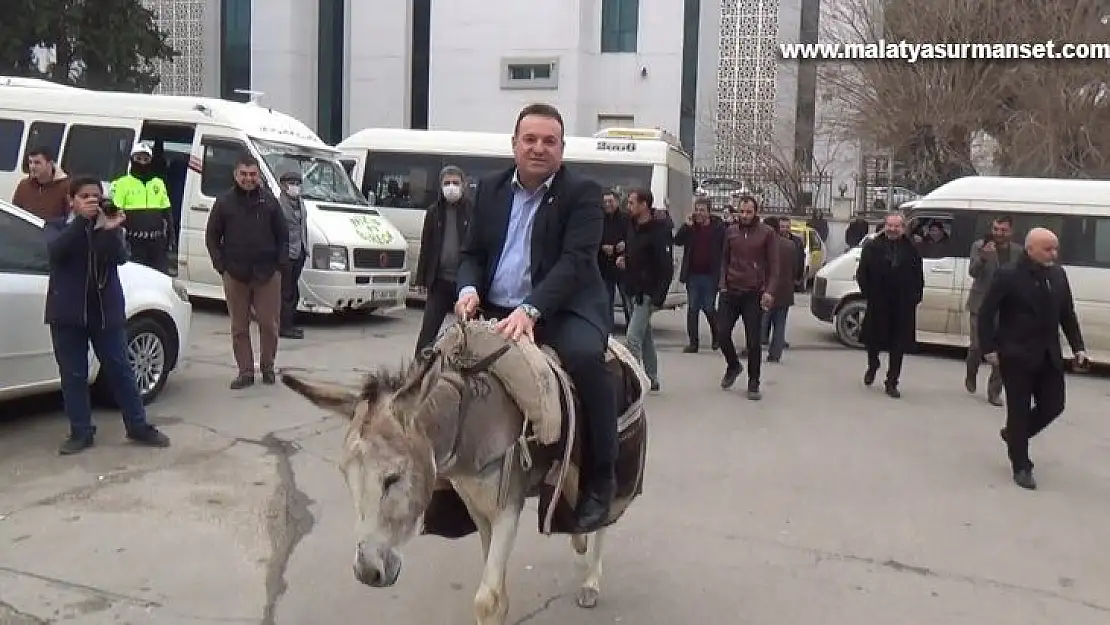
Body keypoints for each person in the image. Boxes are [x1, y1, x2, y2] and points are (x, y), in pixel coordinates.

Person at [454, 103, 617, 532]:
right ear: (514, 145)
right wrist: (468, 290)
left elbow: (576, 261)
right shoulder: (488, 189)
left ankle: (601, 480)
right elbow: (471, 255)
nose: (539, 148)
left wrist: (531, 309)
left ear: (562, 149)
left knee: (585, 362)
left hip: (565, 308)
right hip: (494, 308)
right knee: (438, 362)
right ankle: (446, 473)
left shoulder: (582, 194)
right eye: (530, 139)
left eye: (549, 141)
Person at [44, 176, 171, 454]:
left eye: (95, 197)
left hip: (105, 311)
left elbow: (120, 257)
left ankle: (138, 426)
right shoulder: (56, 226)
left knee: (121, 370)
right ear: (71, 201)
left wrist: (110, 230)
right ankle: (81, 431)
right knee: (74, 375)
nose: (91, 201)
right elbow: (56, 252)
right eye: (84, 197)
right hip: (68, 312)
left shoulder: (108, 225)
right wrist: (81, 222)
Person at [979, 228, 1087, 490]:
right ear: (1030, 250)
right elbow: (986, 313)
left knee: (1054, 405)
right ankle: (1021, 465)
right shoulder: (1008, 275)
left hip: (1049, 354)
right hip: (1016, 354)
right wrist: (989, 348)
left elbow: (1067, 314)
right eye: (1048, 249)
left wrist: (1078, 347)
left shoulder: (1058, 275)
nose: (1054, 254)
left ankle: (1014, 437)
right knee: (1018, 411)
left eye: (1055, 248)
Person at [206, 154, 288, 389]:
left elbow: (283, 236)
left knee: (269, 324)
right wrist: (220, 265)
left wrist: (280, 266)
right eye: (244, 174)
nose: (248, 179)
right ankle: (245, 372)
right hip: (235, 273)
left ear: (258, 175)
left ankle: (268, 367)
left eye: (252, 174)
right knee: (239, 326)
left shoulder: (270, 203)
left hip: (267, 274)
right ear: (235, 175)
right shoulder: (224, 203)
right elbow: (212, 236)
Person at [717, 196, 780, 400]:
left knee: (753, 342)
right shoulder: (731, 232)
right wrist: (722, 284)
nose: (744, 216)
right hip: (731, 291)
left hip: (754, 294)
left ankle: (754, 382)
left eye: (749, 212)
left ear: (756, 212)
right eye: (741, 212)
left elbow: (774, 266)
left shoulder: (767, 233)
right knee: (721, 333)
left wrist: (769, 291)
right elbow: (723, 260)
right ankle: (733, 366)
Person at [856, 213, 924, 398]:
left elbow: (918, 275)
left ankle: (892, 381)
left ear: (903, 228)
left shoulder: (912, 249)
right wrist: (869, 294)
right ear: (884, 226)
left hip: (902, 304)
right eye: (890, 226)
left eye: (897, 226)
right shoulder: (872, 246)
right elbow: (862, 273)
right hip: (878, 302)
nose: (893, 230)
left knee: (898, 345)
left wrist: (915, 296)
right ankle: (873, 364)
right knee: (872, 340)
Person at [413, 165, 474, 355]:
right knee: (428, 334)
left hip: (464, 284)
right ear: (440, 186)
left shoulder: (472, 210)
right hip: (439, 281)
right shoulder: (434, 212)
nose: (451, 187)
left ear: (463, 185)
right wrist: (422, 279)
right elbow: (427, 245)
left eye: (455, 183)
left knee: (470, 333)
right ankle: (417, 372)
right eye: (447, 183)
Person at [617, 188, 673, 392]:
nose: (628, 206)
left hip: (647, 293)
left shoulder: (658, 231)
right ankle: (653, 376)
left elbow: (665, 266)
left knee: (633, 337)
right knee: (645, 335)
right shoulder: (632, 226)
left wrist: (659, 296)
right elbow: (635, 254)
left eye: (632, 203)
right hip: (631, 287)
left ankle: (634, 381)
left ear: (644, 205)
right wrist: (625, 260)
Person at [965, 215, 1015, 406]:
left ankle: (994, 391)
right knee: (978, 346)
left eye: (1003, 230)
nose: (999, 233)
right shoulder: (979, 246)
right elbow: (973, 272)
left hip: (1006, 308)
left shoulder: (1017, 251)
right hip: (981, 305)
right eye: (996, 229)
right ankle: (971, 372)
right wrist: (983, 259)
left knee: (1003, 351)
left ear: (1010, 231)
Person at [110, 143, 173, 273]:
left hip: (156, 242)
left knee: (159, 276)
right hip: (133, 242)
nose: (142, 163)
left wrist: (171, 235)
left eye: (146, 159)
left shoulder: (158, 183)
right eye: (138, 159)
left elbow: (166, 211)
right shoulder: (122, 183)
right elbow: (116, 211)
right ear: (132, 160)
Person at [673, 196, 725, 353]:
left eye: (702, 210)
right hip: (693, 275)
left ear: (709, 212)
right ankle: (693, 343)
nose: (698, 213)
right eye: (696, 209)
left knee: (709, 307)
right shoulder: (691, 228)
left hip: (710, 275)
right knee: (693, 308)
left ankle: (717, 337)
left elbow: (725, 250)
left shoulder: (718, 229)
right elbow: (677, 241)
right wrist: (686, 226)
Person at [761, 216, 804, 363]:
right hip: (785, 289)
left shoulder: (765, 245)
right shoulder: (791, 245)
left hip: (768, 289)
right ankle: (775, 354)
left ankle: (754, 349)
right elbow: (796, 267)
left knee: (761, 321)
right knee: (780, 324)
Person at [277, 171, 309, 339]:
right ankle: (284, 327)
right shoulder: (279, 205)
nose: (295, 187)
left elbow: (303, 226)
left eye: (297, 183)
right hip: (286, 253)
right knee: (286, 292)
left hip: (300, 251)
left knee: (293, 291)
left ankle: (289, 324)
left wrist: (305, 249)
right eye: (292, 183)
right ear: (283, 185)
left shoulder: (300, 203)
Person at [599, 189, 631, 328]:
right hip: (604, 266)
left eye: (610, 201)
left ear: (617, 202)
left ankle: (632, 326)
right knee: (606, 300)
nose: (607, 204)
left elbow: (634, 237)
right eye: (605, 202)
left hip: (623, 266)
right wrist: (601, 246)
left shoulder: (626, 218)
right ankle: (607, 329)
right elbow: (592, 238)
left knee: (627, 298)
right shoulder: (598, 218)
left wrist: (625, 244)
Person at [12, 145, 69, 220]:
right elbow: (15, 213)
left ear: (50, 163)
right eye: (30, 162)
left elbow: (68, 218)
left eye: (37, 163)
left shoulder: (66, 187)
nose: (32, 166)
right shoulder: (24, 185)